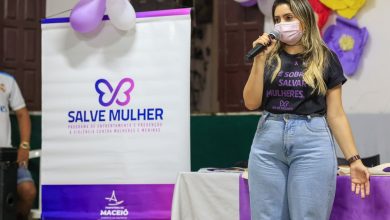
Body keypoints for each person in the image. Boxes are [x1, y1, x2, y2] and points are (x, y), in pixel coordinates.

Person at [242, 0, 370, 219]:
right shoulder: (269, 56)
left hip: (311, 141)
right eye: (277, 20)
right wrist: (259, 61)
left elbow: (336, 114)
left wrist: (354, 159)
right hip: (268, 141)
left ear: (305, 19)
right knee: (266, 215)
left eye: (289, 18)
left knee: (309, 215)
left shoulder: (325, 57)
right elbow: (251, 103)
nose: (282, 24)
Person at [0, 71, 36, 220]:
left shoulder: (7, 80)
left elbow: (22, 114)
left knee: (28, 190)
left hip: (6, 157)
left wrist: (25, 146)